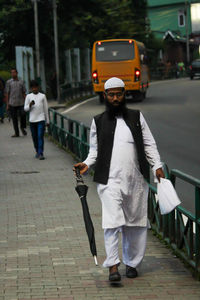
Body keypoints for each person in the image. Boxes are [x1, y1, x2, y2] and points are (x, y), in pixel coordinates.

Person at [74, 77, 165, 282]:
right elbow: (94, 151)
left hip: (136, 180)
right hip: (109, 181)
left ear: (124, 94)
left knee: (135, 224)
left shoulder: (136, 117)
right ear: (105, 96)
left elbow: (149, 144)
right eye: (111, 95)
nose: (115, 98)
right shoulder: (98, 121)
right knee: (112, 222)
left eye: (119, 94)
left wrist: (157, 166)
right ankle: (113, 266)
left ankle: (132, 263)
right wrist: (86, 164)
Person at [24, 80, 49, 160]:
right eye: (33, 87)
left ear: (38, 87)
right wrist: (30, 105)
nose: (34, 89)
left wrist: (47, 120)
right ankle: (37, 151)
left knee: (40, 136)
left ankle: (41, 153)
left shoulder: (42, 96)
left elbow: (46, 109)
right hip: (32, 120)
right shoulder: (28, 96)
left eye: (36, 87)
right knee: (34, 137)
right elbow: (25, 109)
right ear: (31, 88)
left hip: (41, 119)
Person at [5, 68, 27, 137]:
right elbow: (7, 94)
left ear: (17, 73)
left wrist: (27, 101)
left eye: (14, 72)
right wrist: (7, 104)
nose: (13, 74)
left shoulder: (21, 81)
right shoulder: (9, 82)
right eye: (11, 73)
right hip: (12, 103)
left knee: (23, 115)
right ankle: (16, 133)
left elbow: (24, 92)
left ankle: (22, 127)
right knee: (14, 118)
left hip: (21, 102)